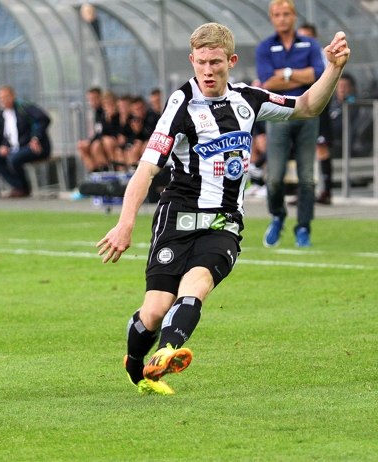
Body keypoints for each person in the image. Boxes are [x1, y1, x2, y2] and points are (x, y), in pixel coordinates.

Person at [97, 22, 350, 395]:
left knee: (195, 287)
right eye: (201, 62)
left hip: (223, 222)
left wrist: (333, 68)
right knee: (153, 311)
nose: (208, 70)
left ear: (230, 61)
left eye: (215, 62)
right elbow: (146, 170)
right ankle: (136, 367)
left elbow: (308, 106)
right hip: (177, 218)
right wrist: (124, 224)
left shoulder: (248, 100)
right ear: (192, 60)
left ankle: (166, 353)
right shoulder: (180, 106)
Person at [255, 0, 326, 247]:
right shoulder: (265, 47)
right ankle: (278, 215)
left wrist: (282, 74)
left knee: (307, 178)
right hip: (279, 114)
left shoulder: (310, 44)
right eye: (277, 14)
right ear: (271, 18)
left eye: (286, 13)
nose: (282, 18)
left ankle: (303, 228)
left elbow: (317, 75)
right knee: (274, 177)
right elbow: (267, 82)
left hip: (307, 114)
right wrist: (297, 74)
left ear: (294, 16)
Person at [0, 85, 52, 198]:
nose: (4, 100)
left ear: (13, 96)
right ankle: (18, 185)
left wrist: (36, 139)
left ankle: (24, 188)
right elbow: (7, 134)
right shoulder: (3, 114)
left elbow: (44, 119)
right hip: (16, 148)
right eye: (1, 98)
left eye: (7, 97)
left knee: (14, 158)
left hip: (36, 147)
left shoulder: (24, 107)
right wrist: (4, 145)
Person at [297, 22, 333, 205]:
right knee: (302, 147)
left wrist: (294, 76)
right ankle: (304, 192)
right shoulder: (296, 55)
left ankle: (326, 190)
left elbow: (318, 77)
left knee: (321, 146)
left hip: (319, 105)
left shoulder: (321, 55)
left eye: (308, 37)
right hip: (301, 105)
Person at [77, 87, 108, 173]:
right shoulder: (97, 112)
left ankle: (104, 171)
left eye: (95, 98)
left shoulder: (105, 111)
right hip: (100, 138)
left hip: (107, 139)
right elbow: (98, 131)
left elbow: (104, 131)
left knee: (96, 145)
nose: (93, 102)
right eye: (90, 99)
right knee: (82, 148)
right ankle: (95, 172)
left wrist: (90, 142)